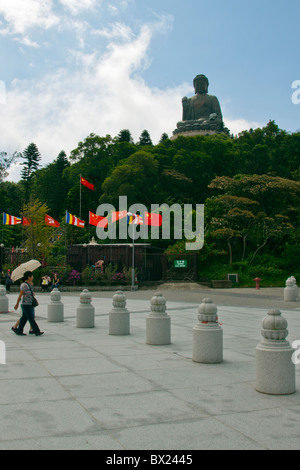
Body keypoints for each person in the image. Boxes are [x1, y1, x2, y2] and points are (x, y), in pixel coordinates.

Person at [12, 271, 44, 336]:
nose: (33, 277)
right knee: (31, 318)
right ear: (29, 277)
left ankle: (19, 331)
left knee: (24, 318)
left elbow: (30, 293)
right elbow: (20, 295)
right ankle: (37, 331)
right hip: (25, 304)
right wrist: (17, 304)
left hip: (30, 303)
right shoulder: (24, 285)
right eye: (32, 276)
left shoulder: (30, 284)